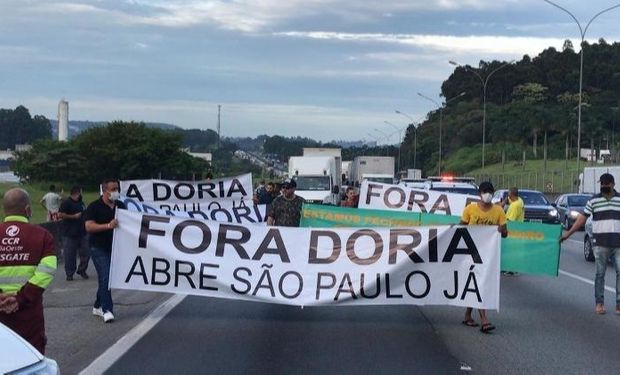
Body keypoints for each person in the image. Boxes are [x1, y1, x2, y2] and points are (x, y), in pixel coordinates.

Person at [0, 188, 57, 354]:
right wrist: (20, 299)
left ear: (5, 209)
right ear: (27, 210)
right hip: (29, 311)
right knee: (31, 356)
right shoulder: (43, 236)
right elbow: (46, 271)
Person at [561, 173, 620, 315]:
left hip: (618, 244)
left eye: (606, 184)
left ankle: (619, 305)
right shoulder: (593, 200)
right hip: (600, 244)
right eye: (602, 184)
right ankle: (599, 303)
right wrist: (568, 234)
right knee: (600, 274)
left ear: (613, 184)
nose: (603, 186)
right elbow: (582, 218)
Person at [460, 181, 507, 333]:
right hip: (472, 253)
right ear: (479, 194)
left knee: (478, 283)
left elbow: (505, 233)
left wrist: (500, 230)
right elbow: (461, 227)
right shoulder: (470, 209)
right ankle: (484, 320)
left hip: (488, 254)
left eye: (489, 192)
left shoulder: (498, 211)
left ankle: (468, 315)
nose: (487, 194)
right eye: (484, 191)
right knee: (479, 282)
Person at [84, 179, 126, 323]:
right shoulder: (94, 207)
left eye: (117, 188)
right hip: (98, 247)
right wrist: (108, 225)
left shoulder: (121, 206)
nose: (116, 191)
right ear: (105, 190)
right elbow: (89, 227)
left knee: (106, 278)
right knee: (106, 276)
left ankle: (97, 305)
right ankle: (107, 309)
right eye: (113, 189)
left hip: (115, 248)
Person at [58, 185, 89, 281]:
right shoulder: (66, 203)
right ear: (77, 193)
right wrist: (73, 216)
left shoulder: (81, 203)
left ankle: (82, 269)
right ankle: (69, 273)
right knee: (70, 255)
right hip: (70, 233)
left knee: (86, 252)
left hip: (82, 231)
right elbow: (60, 214)